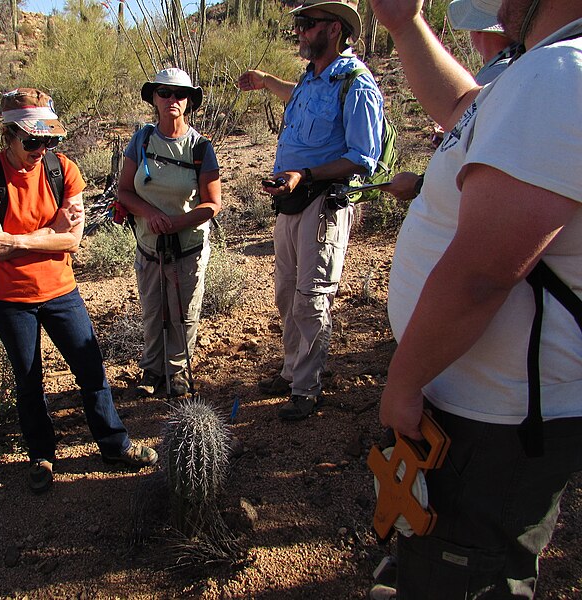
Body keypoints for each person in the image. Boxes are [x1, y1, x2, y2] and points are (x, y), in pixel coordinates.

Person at [367, 0, 582, 597]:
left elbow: (483, 272)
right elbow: (463, 109)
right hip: (489, 407)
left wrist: (404, 383)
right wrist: (405, 24)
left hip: (494, 423)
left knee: (466, 575)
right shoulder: (538, 73)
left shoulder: (561, 74)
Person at [0, 88, 158, 495]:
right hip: (11, 299)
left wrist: (19, 240)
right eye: (32, 140)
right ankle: (41, 454)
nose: (41, 148)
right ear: (9, 136)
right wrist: (50, 230)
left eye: (48, 139)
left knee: (91, 370)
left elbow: (70, 243)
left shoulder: (63, 169)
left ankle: (114, 445)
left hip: (61, 291)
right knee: (29, 380)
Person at [238, 0, 384, 421]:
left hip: (322, 202)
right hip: (290, 199)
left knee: (311, 298)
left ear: (334, 29)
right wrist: (266, 81)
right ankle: (290, 372)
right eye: (299, 24)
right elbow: (298, 97)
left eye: (307, 24)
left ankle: (306, 388)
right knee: (287, 293)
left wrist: (305, 173)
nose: (299, 31)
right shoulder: (313, 79)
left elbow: (362, 157)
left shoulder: (357, 85)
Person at [117, 68, 222, 398]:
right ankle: (152, 370)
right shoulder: (142, 140)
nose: (171, 99)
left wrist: (177, 223)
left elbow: (213, 204)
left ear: (189, 100)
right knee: (152, 309)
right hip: (149, 244)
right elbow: (123, 191)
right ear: (154, 98)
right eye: (164, 92)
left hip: (188, 246)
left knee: (183, 312)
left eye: (179, 94)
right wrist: (151, 214)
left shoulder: (200, 148)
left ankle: (177, 371)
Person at [386, 0, 518, 203]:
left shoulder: (497, 75)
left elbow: (482, 161)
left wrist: (419, 184)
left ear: (479, 32)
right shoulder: (515, 66)